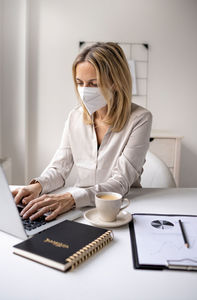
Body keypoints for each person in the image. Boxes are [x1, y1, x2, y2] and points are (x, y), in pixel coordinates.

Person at [12, 42, 152, 222]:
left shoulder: (140, 119)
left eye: (94, 84)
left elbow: (120, 182)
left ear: (116, 83)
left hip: (121, 208)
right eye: (80, 83)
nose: (85, 91)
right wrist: (38, 186)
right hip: (80, 208)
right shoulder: (75, 117)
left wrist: (71, 198)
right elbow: (59, 168)